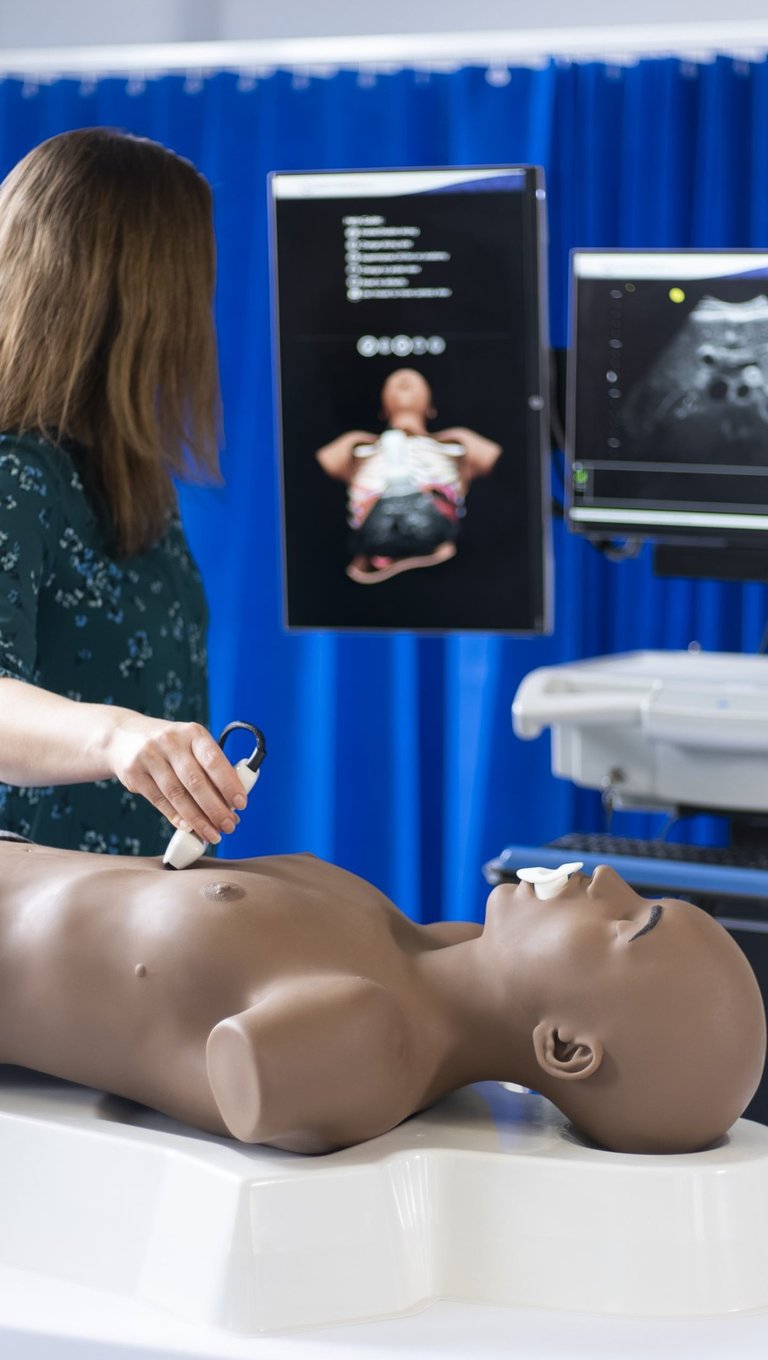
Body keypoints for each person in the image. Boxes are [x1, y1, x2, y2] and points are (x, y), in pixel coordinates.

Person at [0, 837, 763, 1156]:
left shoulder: (370, 1041)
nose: (609, 877)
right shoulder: (422, 945)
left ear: (563, 1047)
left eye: (632, 923)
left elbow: (245, 1069)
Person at [0, 128, 248, 857]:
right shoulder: (15, 475)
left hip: (137, 905)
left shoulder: (129, 480)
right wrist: (118, 736)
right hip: (45, 913)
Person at [315, 368, 502, 584]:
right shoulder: (355, 444)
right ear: (383, 410)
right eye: (392, 383)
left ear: (431, 408)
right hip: (377, 532)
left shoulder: (458, 442)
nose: (403, 380)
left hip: (434, 531)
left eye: (416, 382)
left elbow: (509, 465)